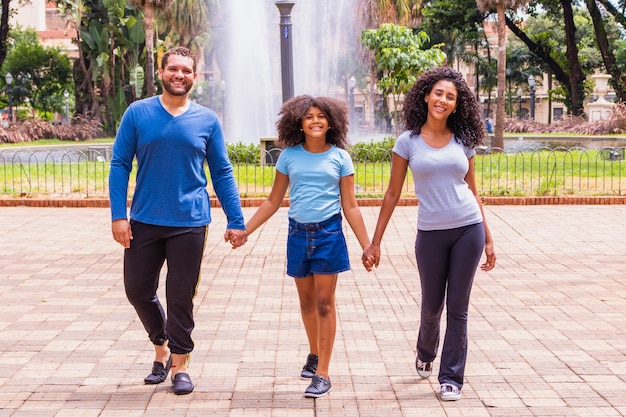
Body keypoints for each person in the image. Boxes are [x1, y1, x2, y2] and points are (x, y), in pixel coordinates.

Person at [109, 46, 247, 395]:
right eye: (173, 69)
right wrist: (117, 216)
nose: (179, 75)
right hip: (144, 219)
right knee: (137, 289)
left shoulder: (206, 120)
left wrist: (236, 219)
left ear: (194, 77)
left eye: (186, 70)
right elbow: (120, 165)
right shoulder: (138, 114)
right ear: (162, 71)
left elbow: (222, 171)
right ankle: (162, 347)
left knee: (180, 295)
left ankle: (180, 364)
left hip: (189, 221)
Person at [362, 66, 496, 401]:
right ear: (426, 96)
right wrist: (375, 242)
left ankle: (451, 377)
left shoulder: (463, 141)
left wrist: (489, 238)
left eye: (450, 96)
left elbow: (473, 190)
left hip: (468, 229)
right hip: (431, 233)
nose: (443, 99)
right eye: (438, 93)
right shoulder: (407, 142)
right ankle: (425, 351)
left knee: (458, 307)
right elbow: (392, 193)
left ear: (456, 105)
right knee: (431, 305)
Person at [234, 95, 373, 398]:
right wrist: (246, 230)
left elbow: (350, 206)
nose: (315, 121)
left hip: (328, 234)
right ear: (298, 122)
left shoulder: (339, 157)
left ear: (331, 121)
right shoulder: (288, 157)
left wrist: (367, 245)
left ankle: (323, 373)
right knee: (307, 303)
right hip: (298, 235)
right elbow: (273, 201)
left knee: (325, 303)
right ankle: (314, 353)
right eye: (309, 116)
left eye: (321, 116)